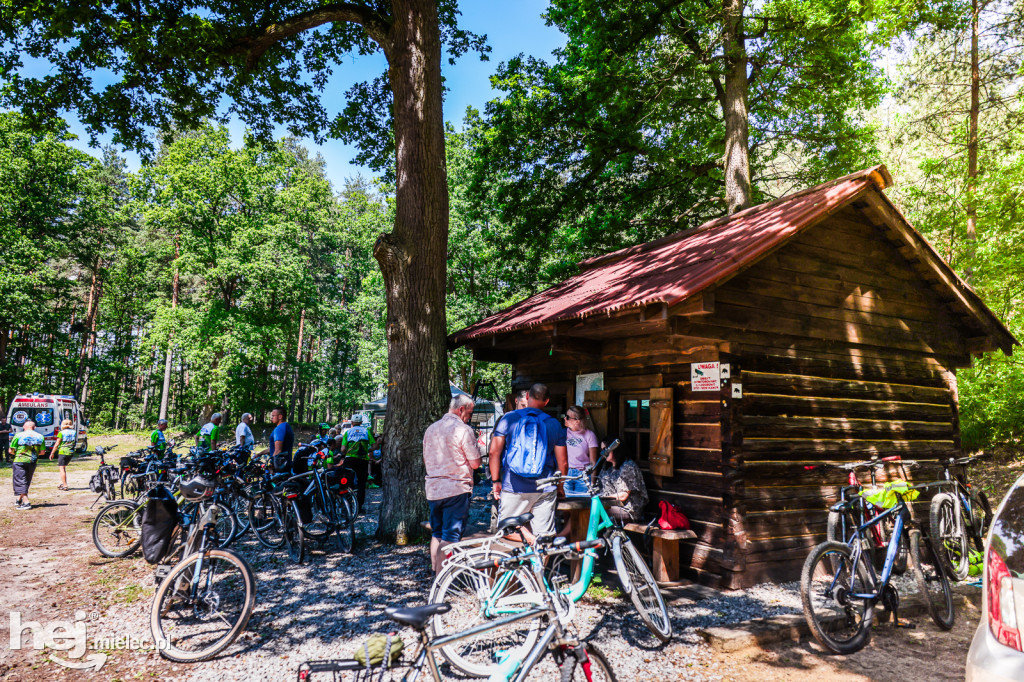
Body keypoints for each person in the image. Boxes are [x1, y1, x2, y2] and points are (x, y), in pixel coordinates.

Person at [488, 383, 568, 544]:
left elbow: (493, 452)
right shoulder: (553, 424)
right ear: (546, 402)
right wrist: (559, 486)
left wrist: (496, 481)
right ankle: (537, 561)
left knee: (505, 530)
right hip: (545, 487)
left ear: (526, 396)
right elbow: (563, 462)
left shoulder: (509, 419)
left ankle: (529, 542)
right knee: (545, 537)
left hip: (514, 486)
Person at [422, 394, 482, 573]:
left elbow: (426, 460)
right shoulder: (463, 430)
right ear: (461, 409)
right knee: (450, 538)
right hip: (456, 489)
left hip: (433, 489)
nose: (470, 417)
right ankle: (443, 580)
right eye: (469, 413)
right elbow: (476, 463)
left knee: (437, 534)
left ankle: (435, 571)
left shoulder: (431, 429)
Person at [598, 443, 649, 522]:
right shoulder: (606, 467)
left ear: (615, 448)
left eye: (606, 449)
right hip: (610, 505)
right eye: (601, 450)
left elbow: (623, 496)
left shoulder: (628, 466)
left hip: (628, 510)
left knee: (595, 511)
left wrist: (600, 499)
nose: (603, 452)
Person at [341, 414, 376, 511]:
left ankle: (348, 506)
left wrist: (346, 453)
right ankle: (359, 506)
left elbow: (343, 449)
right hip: (362, 460)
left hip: (350, 460)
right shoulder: (366, 432)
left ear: (351, 423)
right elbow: (374, 446)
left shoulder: (348, 432)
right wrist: (366, 451)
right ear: (361, 423)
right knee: (361, 484)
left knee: (347, 483)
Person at [563, 406, 599, 497]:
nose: (564, 418)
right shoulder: (563, 433)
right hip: (566, 473)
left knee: (582, 504)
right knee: (564, 502)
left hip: (583, 474)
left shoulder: (589, 435)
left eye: (567, 417)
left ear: (577, 421)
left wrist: (592, 483)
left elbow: (593, 462)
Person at [9, 420, 45, 509]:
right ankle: (19, 499)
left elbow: (11, 450)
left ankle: (26, 502)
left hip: (20, 460)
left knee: (20, 480)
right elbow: (42, 452)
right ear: (34, 427)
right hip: (33, 461)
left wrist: (17, 454)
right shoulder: (40, 436)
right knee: (26, 480)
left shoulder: (18, 435)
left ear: (24, 427)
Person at [49, 419, 78, 491]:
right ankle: (63, 483)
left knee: (62, 469)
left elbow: (57, 444)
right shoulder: (74, 432)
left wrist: (52, 453)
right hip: (71, 452)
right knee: (64, 467)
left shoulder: (61, 433)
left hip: (63, 452)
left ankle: (65, 485)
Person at [266, 406, 295, 473]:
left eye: (273, 415)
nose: (271, 417)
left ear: (280, 417)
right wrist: (259, 454)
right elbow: (273, 448)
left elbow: (278, 450)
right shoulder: (286, 426)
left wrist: (271, 464)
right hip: (286, 463)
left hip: (279, 466)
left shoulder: (279, 428)